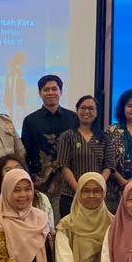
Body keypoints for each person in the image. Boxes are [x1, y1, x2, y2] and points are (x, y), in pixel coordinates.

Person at [20, 73, 79, 201]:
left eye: (54, 89)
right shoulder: (30, 120)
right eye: (46, 90)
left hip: (68, 182)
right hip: (40, 182)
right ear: (40, 93)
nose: (50, 93)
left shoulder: (73, 118)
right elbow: (26, 152)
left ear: (61, 92)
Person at [56, 95, 106, 214]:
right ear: (77, 110)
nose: (86, 111)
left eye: (91, 108)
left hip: (97, 197)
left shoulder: (104, 137)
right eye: (83, 108)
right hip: (70, 195)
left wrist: (96, 188)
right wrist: (80, 190)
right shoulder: (67, 136)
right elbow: (63, 165)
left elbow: (109, 166)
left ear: (97, 112)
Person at [0, 153, 55, 219]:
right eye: (8, 170)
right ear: (0, 176)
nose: (15, 172)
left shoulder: (40, 199)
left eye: (18, 168)